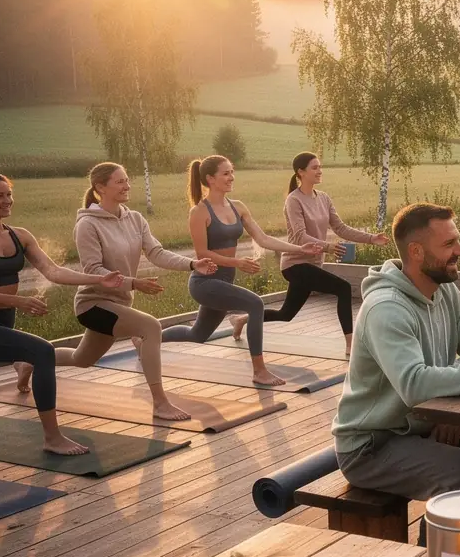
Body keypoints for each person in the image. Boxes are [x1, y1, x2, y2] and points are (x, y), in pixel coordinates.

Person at [333, 202, 460, 500]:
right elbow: (415, 385)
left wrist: (444, 406)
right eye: (449, 244)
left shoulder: (443, 289)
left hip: (419, 426)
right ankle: (432, 547)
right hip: (372, 446)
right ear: (416, 251)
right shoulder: (386, 308)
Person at [53, 162, 216, 423]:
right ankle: (160, 403)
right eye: (119, 181)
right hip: (93, 304)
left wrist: (192, 264)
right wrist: (134, 283)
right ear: (100, 188)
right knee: (150, 327)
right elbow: (94, 269)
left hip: (119, 304)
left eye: (127, 180)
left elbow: (156, 253)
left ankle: (30, 360)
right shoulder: (87, 225)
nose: (127, 185)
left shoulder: (135, 218)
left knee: (81, 358)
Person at [161, 156, 324, 386]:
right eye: (225, 173)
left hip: (224, 283)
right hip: (204, 283)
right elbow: (202, 255)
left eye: (232, 171)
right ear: (210, 178)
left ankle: (148, 338)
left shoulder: (238, 207)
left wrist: (300, 248)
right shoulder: (199, 212)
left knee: (197, 335)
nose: (231, 177)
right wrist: (238, 262)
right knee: (255, 303)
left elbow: (264, 239)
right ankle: (259, 371)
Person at [0, 173, 124, 454]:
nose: (7, 200)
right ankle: (53, 438)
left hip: (2, 323)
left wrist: (97, 280)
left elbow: (53, 271)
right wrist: (18, 302)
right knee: (42, 352)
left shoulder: (20, 236)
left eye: (9, 194)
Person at [232, 152, 389, 357]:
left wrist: (370, 238)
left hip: (313, 265)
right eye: (314, 167)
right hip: (295, 265)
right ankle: (352, 346)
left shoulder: (323, 198)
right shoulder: (293, 200)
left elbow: (340, 228)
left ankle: (242, 319)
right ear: (301, 172)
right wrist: (328, 247)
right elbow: (299, 236)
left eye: (320, 167)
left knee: (286, 314)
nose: (319, 171)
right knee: (342, 288)